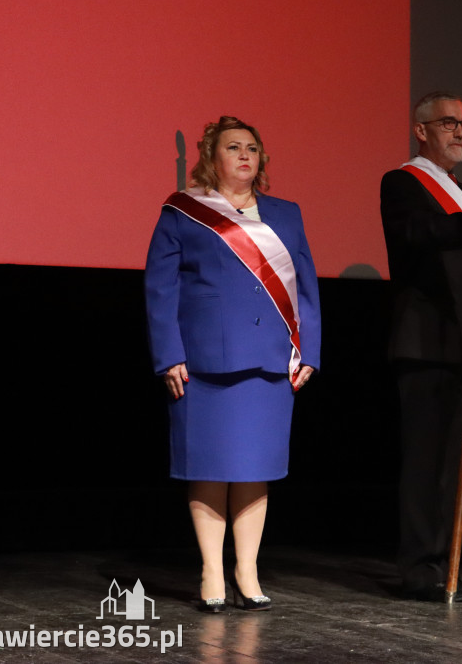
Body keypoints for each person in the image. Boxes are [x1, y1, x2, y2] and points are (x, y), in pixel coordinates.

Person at [145, 116, 321, 612]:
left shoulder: (287, 214)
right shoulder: (184, 211)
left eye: (252, 148)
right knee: (209, 467)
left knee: (254, 468)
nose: (245, 155)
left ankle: (247, 569)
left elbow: (306, 290)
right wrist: (168, 355)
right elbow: (160, 289)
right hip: (202, 362)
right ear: (211, 157)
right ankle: (212, 570)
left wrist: (310, 350)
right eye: (233, 147)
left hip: (270, 362)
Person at [380, 92, 462, 603]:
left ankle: (446, 566)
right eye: (449, 122)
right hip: (425, 342)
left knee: (452, 466)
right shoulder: (403, 182)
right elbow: (415, 232)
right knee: (425, 466)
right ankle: (419, 570)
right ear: (421, 129)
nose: (461, 131)